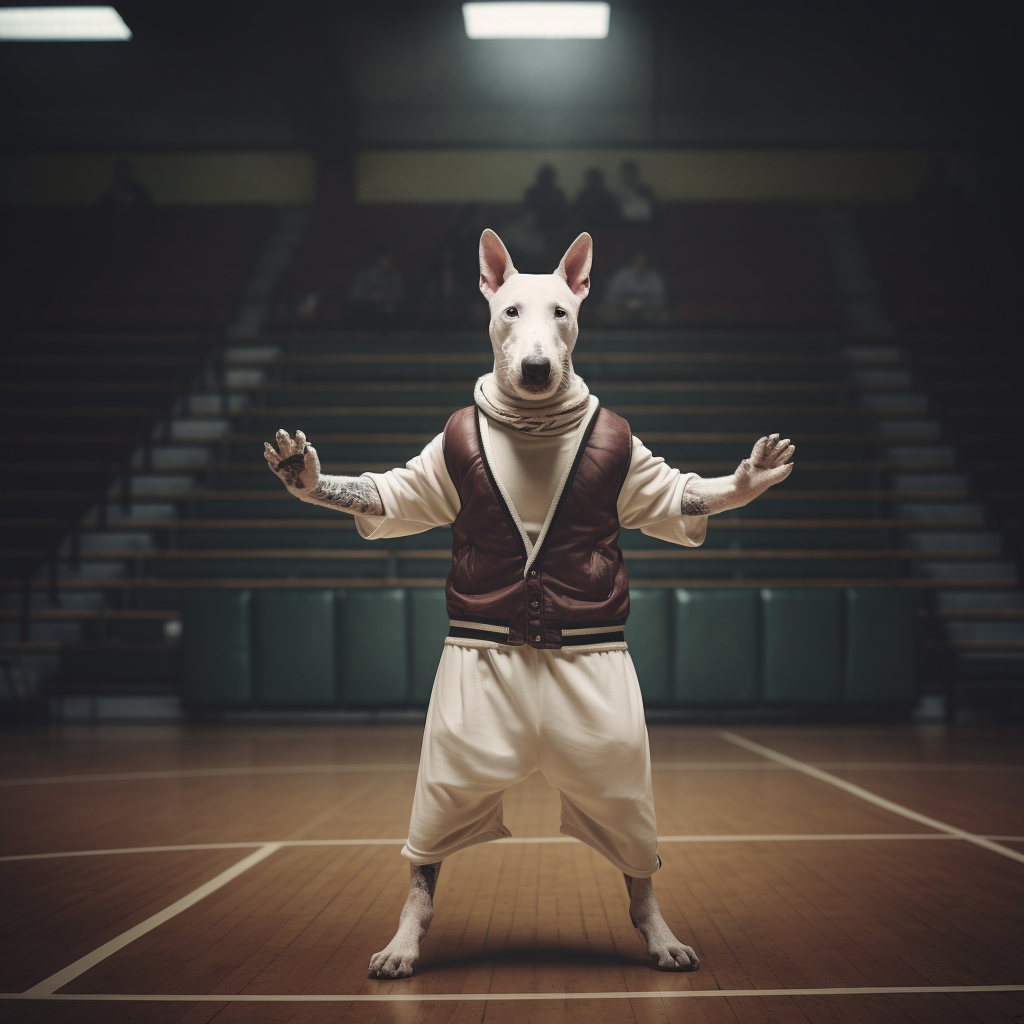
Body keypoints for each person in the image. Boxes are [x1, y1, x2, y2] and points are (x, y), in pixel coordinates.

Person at [599, 250, 668, 324]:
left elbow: (660, 299)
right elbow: (609, 298)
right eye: (637, 262)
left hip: (648, 311)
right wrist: (624, 303)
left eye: (643, 263)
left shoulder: (654, 277)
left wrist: (644, 303)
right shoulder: (621, 275)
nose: (640, 266)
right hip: (622, 310)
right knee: (605, 313)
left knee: (663, 316)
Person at [348, 252, 406, 324]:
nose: (386, 263)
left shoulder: (396, 275)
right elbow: (354, 295)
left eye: (389, 260)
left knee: (390, 308)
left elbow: (400, 295)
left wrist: (384, 297)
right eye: (384, 260)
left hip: (388, 306)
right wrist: (371, 296)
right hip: (367, 306)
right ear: (377, 260)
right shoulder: (365, 274)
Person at [572, 167, 620, 232]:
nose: (593, 182)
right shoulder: (582, 197)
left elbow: (614, 217)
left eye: (595, 179)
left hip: (606, 232)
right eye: (591, 179)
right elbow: (575, 216)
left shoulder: (608, 197)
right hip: (585, 230)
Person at [523, 164, 567, 232]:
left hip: (556, 226)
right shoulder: (532, 193)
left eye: (549, 177)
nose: (547, 179)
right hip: (534, 228)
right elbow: (528, 213)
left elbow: (563, 213)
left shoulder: (558, 194)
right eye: (545, 177)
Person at [617, 160, 657, 224]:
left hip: (646, 227)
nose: (629, 176)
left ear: (635, 174)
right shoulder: (618, 194)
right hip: (626, 228)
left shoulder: (646, 191)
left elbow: (650, 214)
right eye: (626, 173)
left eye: (631, 173)